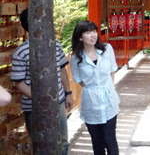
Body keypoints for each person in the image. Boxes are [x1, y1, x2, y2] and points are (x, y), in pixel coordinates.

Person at [10, 8, 73, 155]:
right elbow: (19, 82)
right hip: (34, 107)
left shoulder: (55, 44)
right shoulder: (21, 52)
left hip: (58, 102)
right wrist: (40, 100)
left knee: (63, 141)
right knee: (40, 144)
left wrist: (68, 92)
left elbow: (62, 69)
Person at [70, 20, 120, 155]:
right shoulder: (75, 58)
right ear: (80, 37)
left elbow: (112, 69)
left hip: (108, 100)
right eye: (88, 32)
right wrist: (93, 88)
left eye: (94, 31)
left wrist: (109, 87)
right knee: (97, 141)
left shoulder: (107, 49)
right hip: (90, 102)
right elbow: (79, 80)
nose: (93, 35)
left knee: (110, 139)